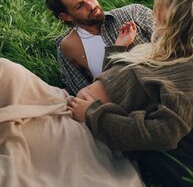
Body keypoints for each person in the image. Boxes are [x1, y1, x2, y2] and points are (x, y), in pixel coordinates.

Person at [69, 0, 193, 187]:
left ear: (181, 18)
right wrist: (119, 50)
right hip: (72, 108)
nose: (153, 12)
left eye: (161, 7)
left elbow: (165, 133)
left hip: (87, 130)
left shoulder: (188, 74)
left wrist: (92, 115)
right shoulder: (156, 50)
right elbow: (114, 81)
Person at [0, 58, 144, 187]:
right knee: (5, 68)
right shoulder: (147, 50)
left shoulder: (164, 82)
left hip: (88, 126)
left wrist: (92, 113)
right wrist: (118, 49)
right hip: (61, 100)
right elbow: (105, 76)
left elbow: (155, 132)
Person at [45, 0, 154, 95]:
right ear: (66, 16)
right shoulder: (68, 48)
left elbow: (173, 44)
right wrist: (118, 48)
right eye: (79, 6)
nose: (90, 5)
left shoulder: (133, 13)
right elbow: (87, 94)